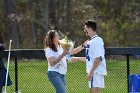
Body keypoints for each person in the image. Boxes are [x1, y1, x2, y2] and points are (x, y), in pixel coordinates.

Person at [69, 20, 107, 93]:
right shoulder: (91, 41)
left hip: (96, 72)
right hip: (95, 72)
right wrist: (77, 58)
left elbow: (98, 58)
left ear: (89, 29)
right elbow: (90, 59)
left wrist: (91, 72)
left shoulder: (97, 40)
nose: (84, 30)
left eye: (85, 28)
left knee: (93, 91)